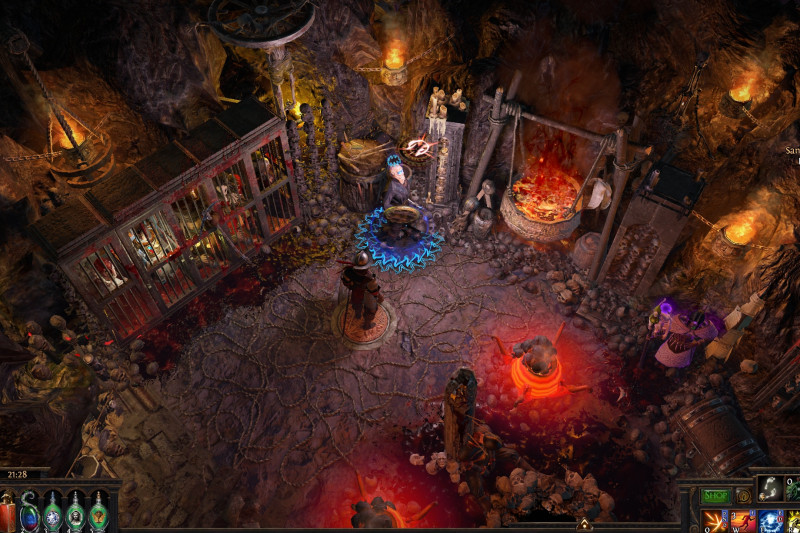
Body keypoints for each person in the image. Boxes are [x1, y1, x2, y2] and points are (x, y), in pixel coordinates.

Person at [341, 251, 384, 330]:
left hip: (356, 293)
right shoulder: (370, 277)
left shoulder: (348, 271)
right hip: (367, 294)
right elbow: (374, 291)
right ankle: (367, 325)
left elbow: (346, 282)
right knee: (371, 311)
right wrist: (380, 296)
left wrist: (352, 285)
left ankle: (358, 315)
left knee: (356, 304)